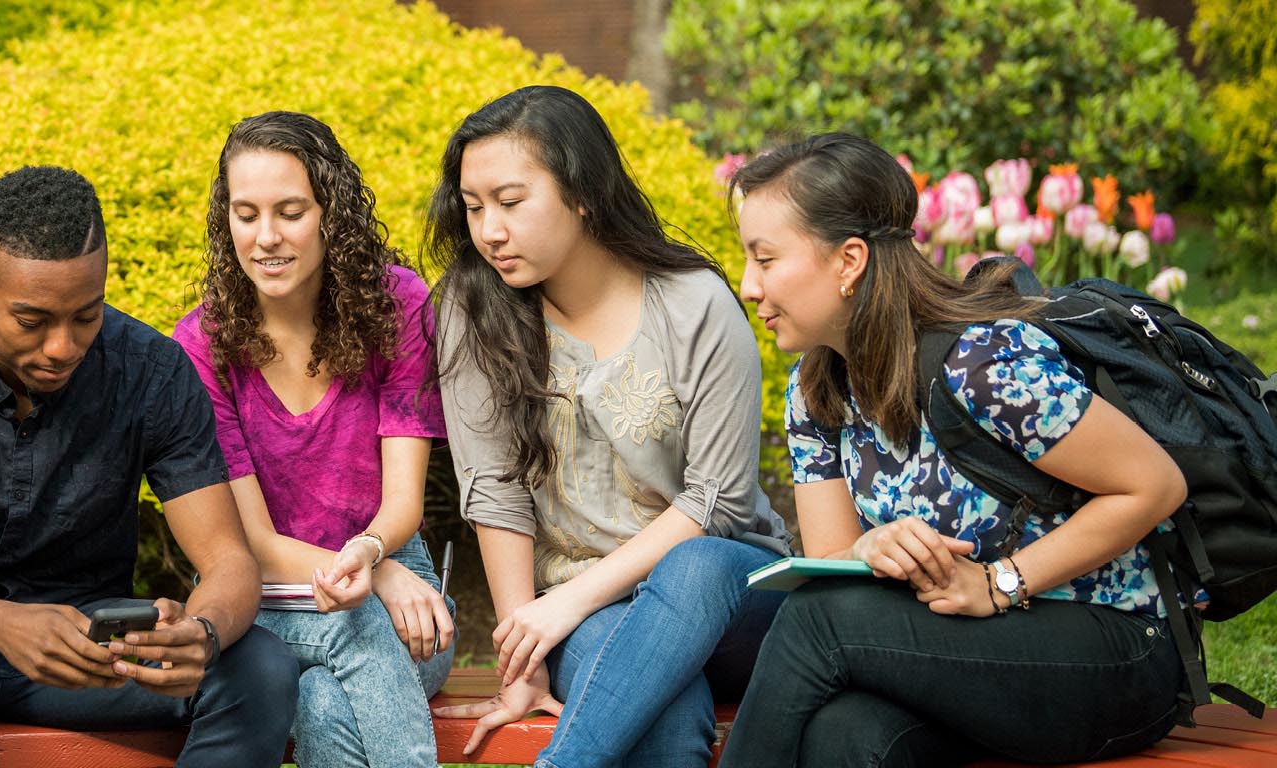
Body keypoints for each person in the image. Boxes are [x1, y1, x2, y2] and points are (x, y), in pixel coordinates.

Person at [716, 132, 1189, 767]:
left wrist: (999, 583)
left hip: (1115, 645)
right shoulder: (816, 391)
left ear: (848, 260)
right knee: (847, 736)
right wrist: (868, 547)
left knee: (816, 623)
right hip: (967, 649)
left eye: (765, 259)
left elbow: (1154, 486)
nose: (748, 286)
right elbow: (831, 560)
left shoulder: (980, 363)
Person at [0, 165, 298, 768]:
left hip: (85, 650)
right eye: (32, 321)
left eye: (86, 316)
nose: (63, 347)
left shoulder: (152, 372)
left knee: (259, 664)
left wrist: (200, 633)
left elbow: (229, 562)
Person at [427, 85, 792, 767]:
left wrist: (561, 609)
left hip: (732, 609)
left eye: (510, 202)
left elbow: (718, 504)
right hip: (590, 624)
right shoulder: (472, 311)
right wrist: (523, 652)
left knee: (696, 565)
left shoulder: (695, 307)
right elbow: (495, 490)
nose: (489, 231)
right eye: (473, 208)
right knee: (664, 717)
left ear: (583, 192)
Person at [172, 111, 454, 768]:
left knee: (326, 703)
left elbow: (403, 503)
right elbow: (253, 545)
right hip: (260, 596)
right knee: (353, 629)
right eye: (246, 214)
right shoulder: (203, 345)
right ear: (226, 222)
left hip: (397, 580)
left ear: (331, 213)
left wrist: (378, 556)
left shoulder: (398, 306)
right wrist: (373, 576)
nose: (266, 237)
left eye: (290, 211)